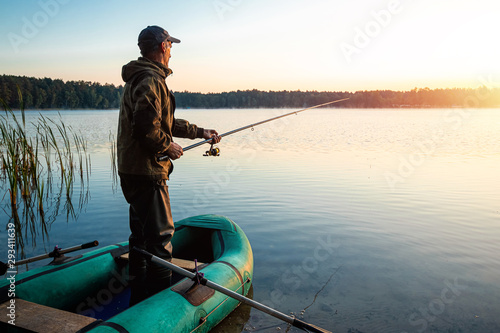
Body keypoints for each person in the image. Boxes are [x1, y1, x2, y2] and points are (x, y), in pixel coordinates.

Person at [117, 25, 221, 306]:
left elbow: (164, 122)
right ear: (163, 47)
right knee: (162, 241)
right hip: (148, 172)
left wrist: (201, 132)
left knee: (139, 237)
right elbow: (146, 128)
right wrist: (167, 146)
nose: (172, 51)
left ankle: (137, 299)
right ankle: (159, 308)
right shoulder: (151, 80)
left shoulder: (139, 78)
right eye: (170, 45)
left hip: (131, 170)